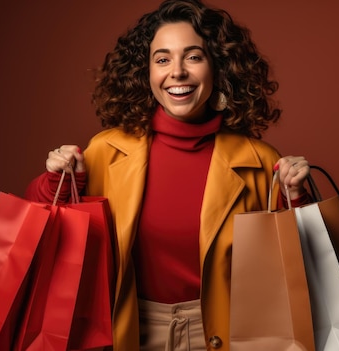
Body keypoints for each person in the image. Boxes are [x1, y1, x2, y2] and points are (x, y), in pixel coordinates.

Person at [25, 0, 312, 350]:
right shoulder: (105, 151)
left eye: (193, 56)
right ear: (146, 73)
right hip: (127, 331)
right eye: (162, 59)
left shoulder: (261, 162)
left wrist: (296, 197)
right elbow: (43, 231)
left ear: (218, 67)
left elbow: (299, 271)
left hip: (229, 335)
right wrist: (58, 179)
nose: (177, 72)